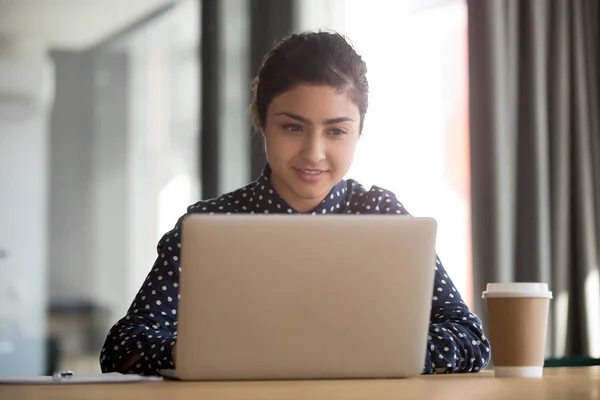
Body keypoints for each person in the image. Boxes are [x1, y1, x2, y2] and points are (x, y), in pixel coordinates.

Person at [100, 31, 491, 376]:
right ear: (261, 121)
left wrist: (382, 355)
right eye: (292, 127)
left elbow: (470, 337)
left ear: (359, 131)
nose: (314, 153)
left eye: (336, 131)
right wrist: (191, 355)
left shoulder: (380, 216)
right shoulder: (209, 225)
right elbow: (123, 345)